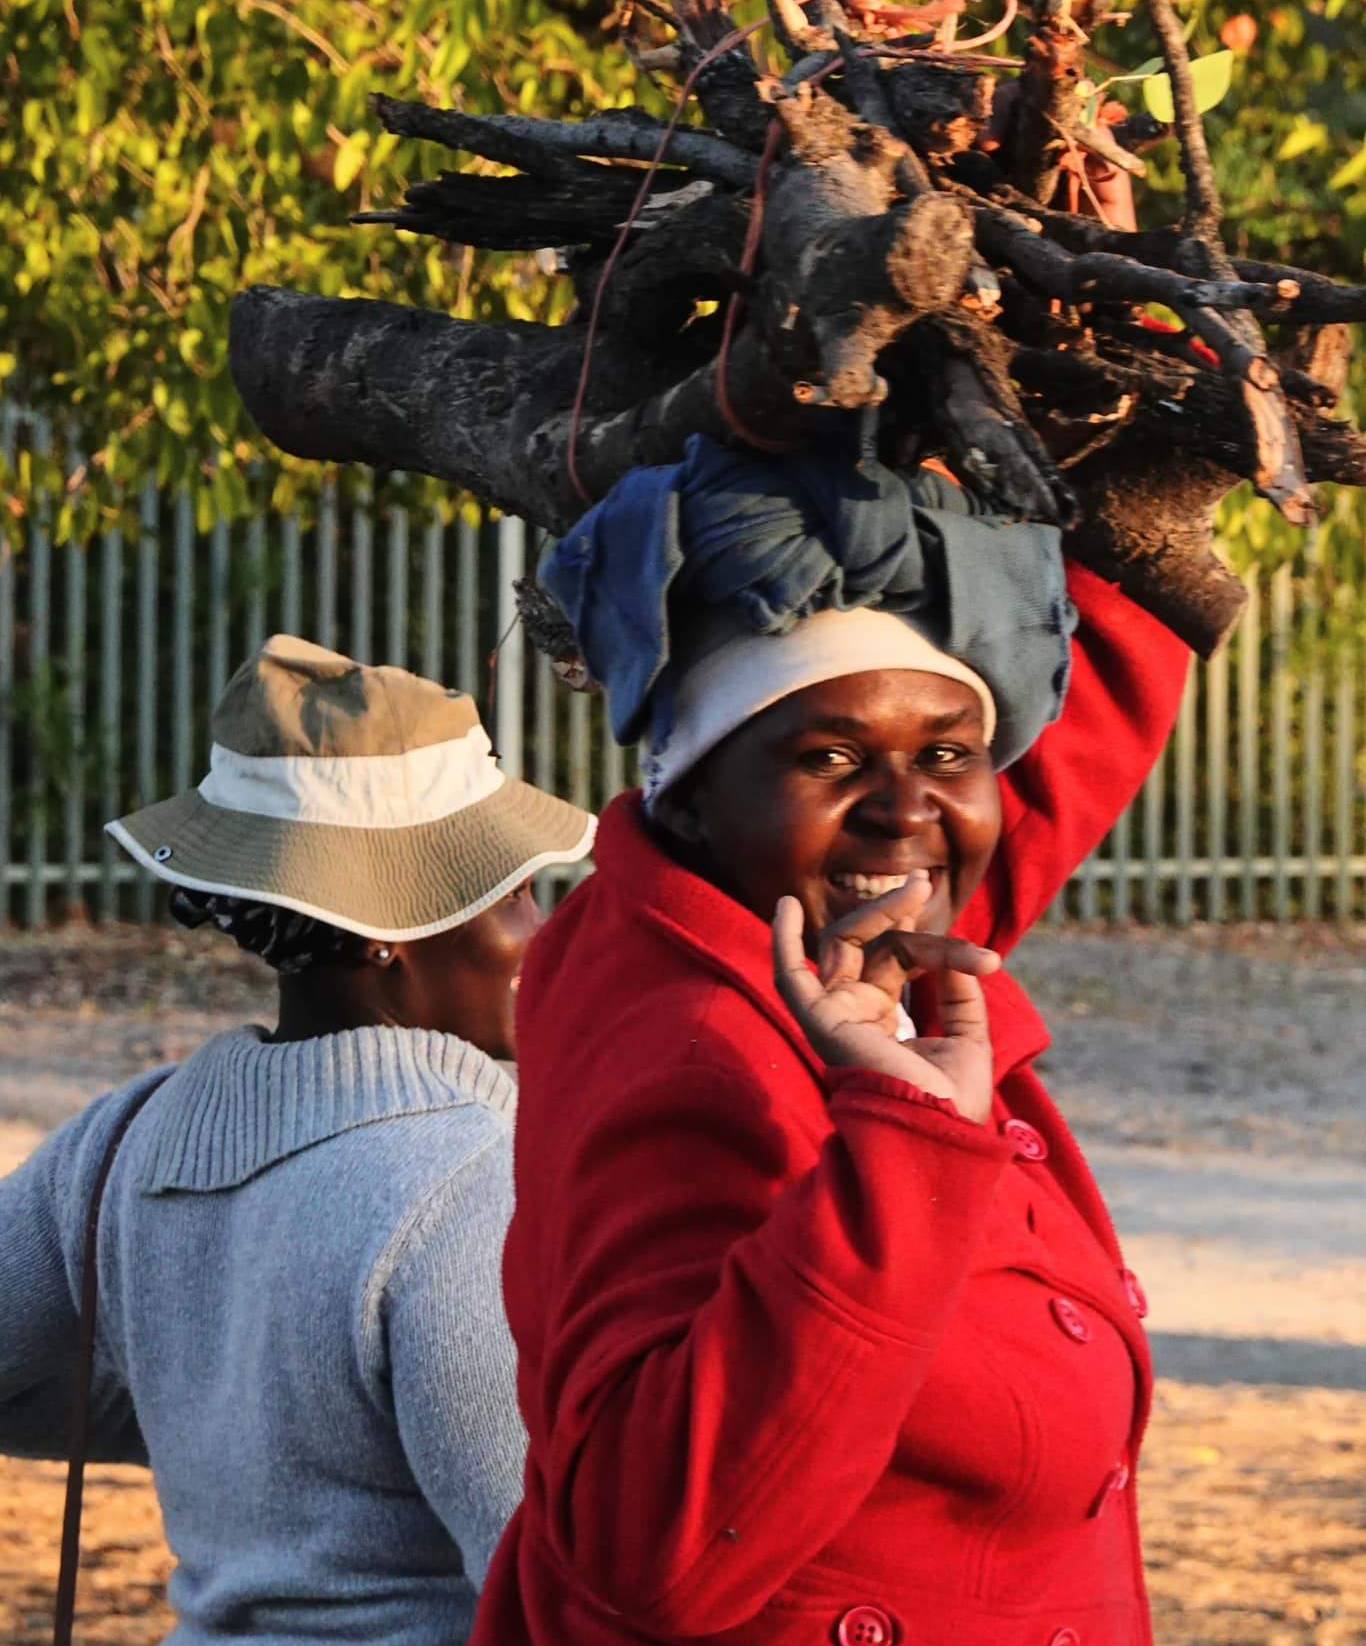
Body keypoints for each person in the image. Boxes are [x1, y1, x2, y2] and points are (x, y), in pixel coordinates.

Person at [473, 434, 1186, 1646]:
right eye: (831, 756)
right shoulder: (693, 1044)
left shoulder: (816, 937)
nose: (907, 807)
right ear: (690, 792)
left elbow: (1041, 774)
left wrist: (1131, 417)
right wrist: (907, 1144)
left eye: (947, 755)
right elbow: (660, 1549)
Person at [0, 636, 594, 1643]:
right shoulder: (468, 1180)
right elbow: (546, 1582)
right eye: (511, 893)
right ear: (389, 927)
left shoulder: (120, 1141)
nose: (538, 930)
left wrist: (230, 1430)